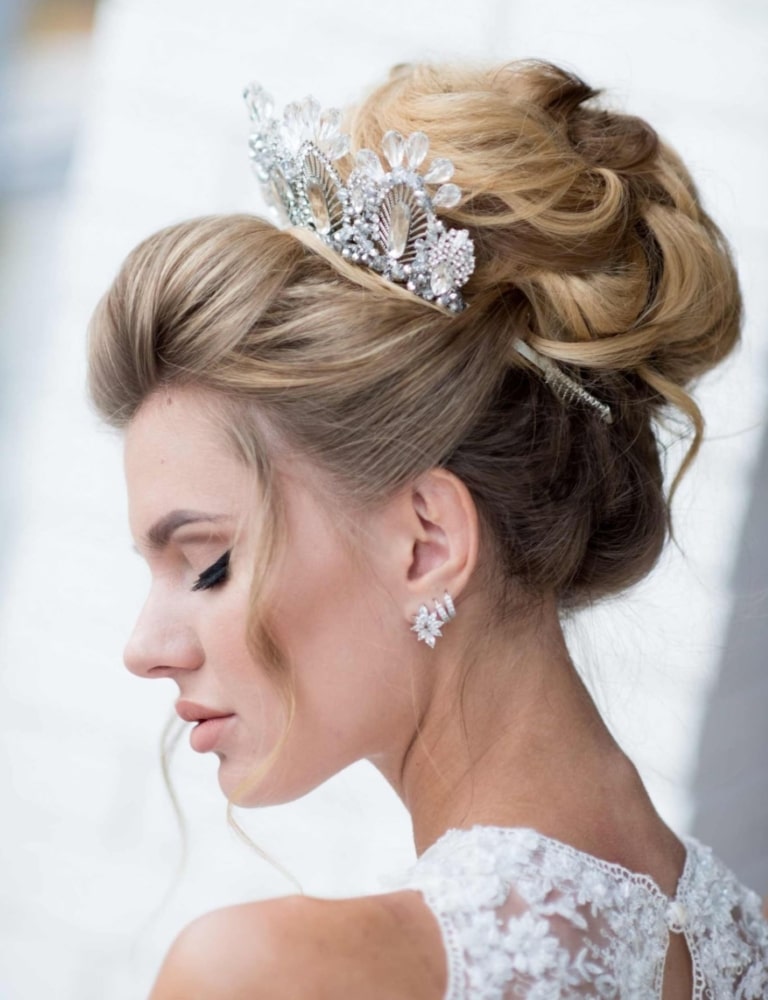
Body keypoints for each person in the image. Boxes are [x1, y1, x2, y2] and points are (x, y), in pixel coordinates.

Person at [87, 60, 768, 999]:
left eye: (207, 564)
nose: (145, 649)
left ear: (427, 543)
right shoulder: (744, 943)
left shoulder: (266, 976)